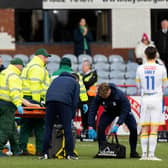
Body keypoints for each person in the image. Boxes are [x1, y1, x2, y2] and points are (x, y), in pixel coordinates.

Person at [88, 83, 140, 158]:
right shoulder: (99, 96)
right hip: (109, 112)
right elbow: (93, 110)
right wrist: (90, 126)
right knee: (101, 127)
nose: (103, 98)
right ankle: (102, 150)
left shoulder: (120, 95)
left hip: (124, 111)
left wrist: (118, 124)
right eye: (102, 96)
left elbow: (125, 111)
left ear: (109, 91)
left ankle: (133, 152)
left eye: (105, 96)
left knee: (133, 128)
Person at [0, 58, 39, 156]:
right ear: (18, 65)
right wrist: (18, 104)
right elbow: (15, 92)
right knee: (6, 129)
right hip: (7, 105)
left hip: (2, 103)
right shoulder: (14, 76)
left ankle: (16, 150)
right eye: (22, 66)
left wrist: (29, 104)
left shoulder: (4, 73)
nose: (22, 68)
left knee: (12, 129)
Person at [136, 46, 167, 161]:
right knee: (154, 128)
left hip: (145, 98)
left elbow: (138, 86)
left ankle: (144, 155)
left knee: (144, 127)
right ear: (156, 55)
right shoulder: (161, 68)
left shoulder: (140, 68)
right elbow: (165, 85)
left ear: (145, 55)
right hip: (156, 98)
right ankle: (151, 155)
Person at [40, 72, 80, 160]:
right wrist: (71, 116)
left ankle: (44, 153)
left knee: (48, 127)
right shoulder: (75, 83)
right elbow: (75, 101)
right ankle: (70, 154)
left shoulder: (55, 80)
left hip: (50, 102)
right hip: (64, 103)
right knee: (67, 128)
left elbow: (48, 92)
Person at [19, 48, 51, 156]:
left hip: (27, 97)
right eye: (46, 57)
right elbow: (35, 86)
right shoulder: (37, 68)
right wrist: (38, 103)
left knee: (26, 125)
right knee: (39, 125)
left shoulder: (30, 66)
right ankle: (40, 149)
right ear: (40, 57)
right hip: (33, 99)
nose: (47, 59)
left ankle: (22, 148)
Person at [52, 57, 88, 132]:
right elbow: (81, 89)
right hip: (69, 101)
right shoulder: (75, 75)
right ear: (70, 65)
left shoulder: (53, 74)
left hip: (55, 100)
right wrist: (84, 102)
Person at [81, 60, 97, 131]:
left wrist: (82, 83)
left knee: (91, 114)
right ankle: (85, 130)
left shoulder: (93, 74)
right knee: (84, 114)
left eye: (84, 66)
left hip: (91, 98)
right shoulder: (82, 75)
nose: (82, 67)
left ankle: (92, 130)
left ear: (88, 66)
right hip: (84, 98)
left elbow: (88, 83)